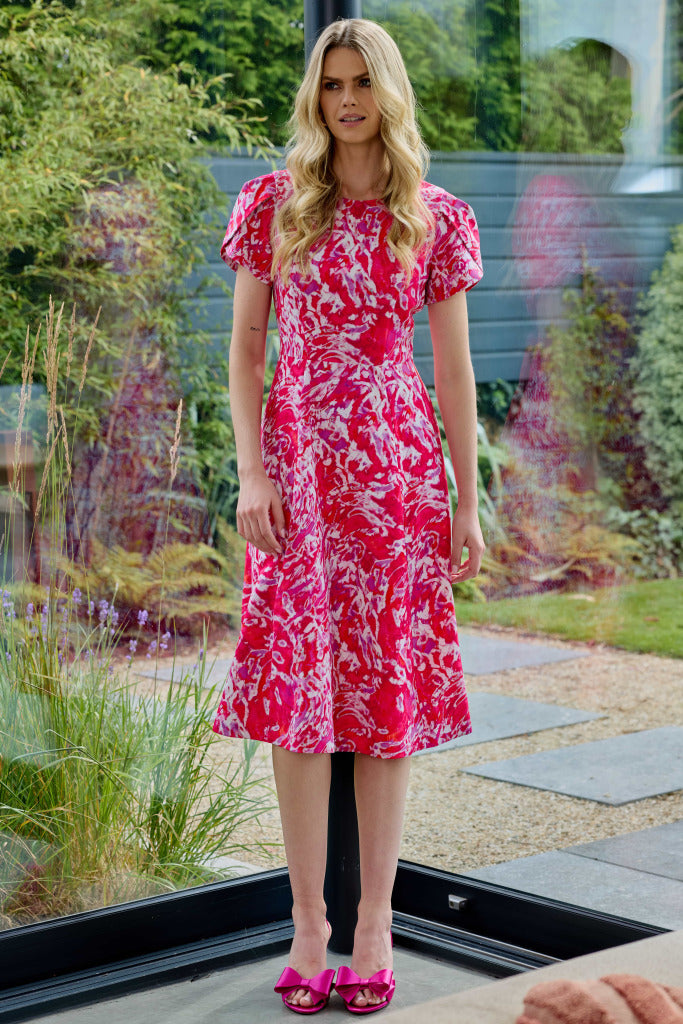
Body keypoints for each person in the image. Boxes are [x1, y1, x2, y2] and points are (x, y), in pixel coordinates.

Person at [212, 17, 484, 1016]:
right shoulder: (269, 207)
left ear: (387, 91)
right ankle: (306, 927)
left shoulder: (435, 215)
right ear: (314, 96)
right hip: (293, 478)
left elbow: (452, 371)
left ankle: (373, 922)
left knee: (383, 702)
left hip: (398, 477)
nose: (346, 100)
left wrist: (466, 497)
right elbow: (244, 354)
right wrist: (251, 474)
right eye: (330, 84)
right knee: (296, 703)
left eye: (361, 82)